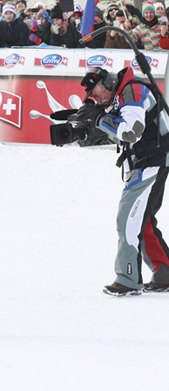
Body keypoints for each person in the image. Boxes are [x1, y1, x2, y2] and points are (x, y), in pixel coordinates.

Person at [74, 67, 169, 296]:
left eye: (94, 93)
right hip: (150, 159)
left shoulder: (132, 90)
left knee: (127, 219)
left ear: (106, 81)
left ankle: (128, 278)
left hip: (152, 160)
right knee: (142, 220)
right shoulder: (125, 92)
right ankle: (165, 272)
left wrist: (98, 118)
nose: (94, 98)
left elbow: (131, 132)